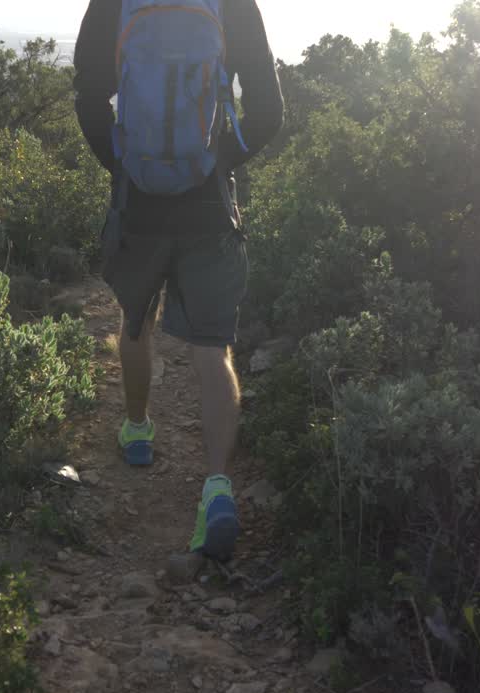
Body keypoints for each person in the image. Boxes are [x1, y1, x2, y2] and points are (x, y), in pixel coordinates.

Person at [73, 0, 283, 561]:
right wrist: (216, 163)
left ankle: (138, 430)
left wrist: (124, 166)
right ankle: (217, 488)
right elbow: (269, 111)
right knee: (214, 350)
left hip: (138, 207)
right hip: (209, 211)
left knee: (135, 321)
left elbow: (90, 97)